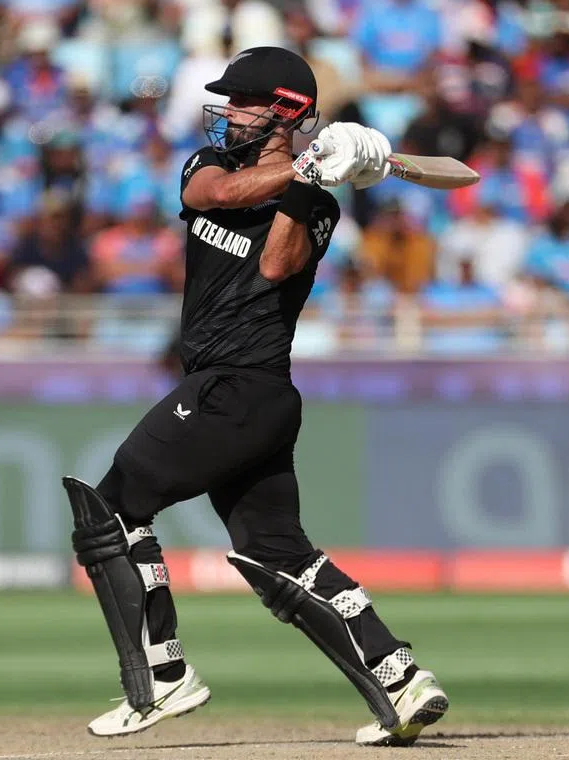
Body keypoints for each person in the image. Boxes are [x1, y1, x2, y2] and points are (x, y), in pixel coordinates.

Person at [61, 46, 448, 747]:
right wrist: (303, 165)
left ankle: (161, 676)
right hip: (235, 392)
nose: (228, 113)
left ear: (283, 112)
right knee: (278, 551)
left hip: (242, 387)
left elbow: (276, 263)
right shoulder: (207, 167)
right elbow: (208, 198)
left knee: (111, 511)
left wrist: (309, 183)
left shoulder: (319, 203)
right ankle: (399, 676)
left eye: (241, 103)